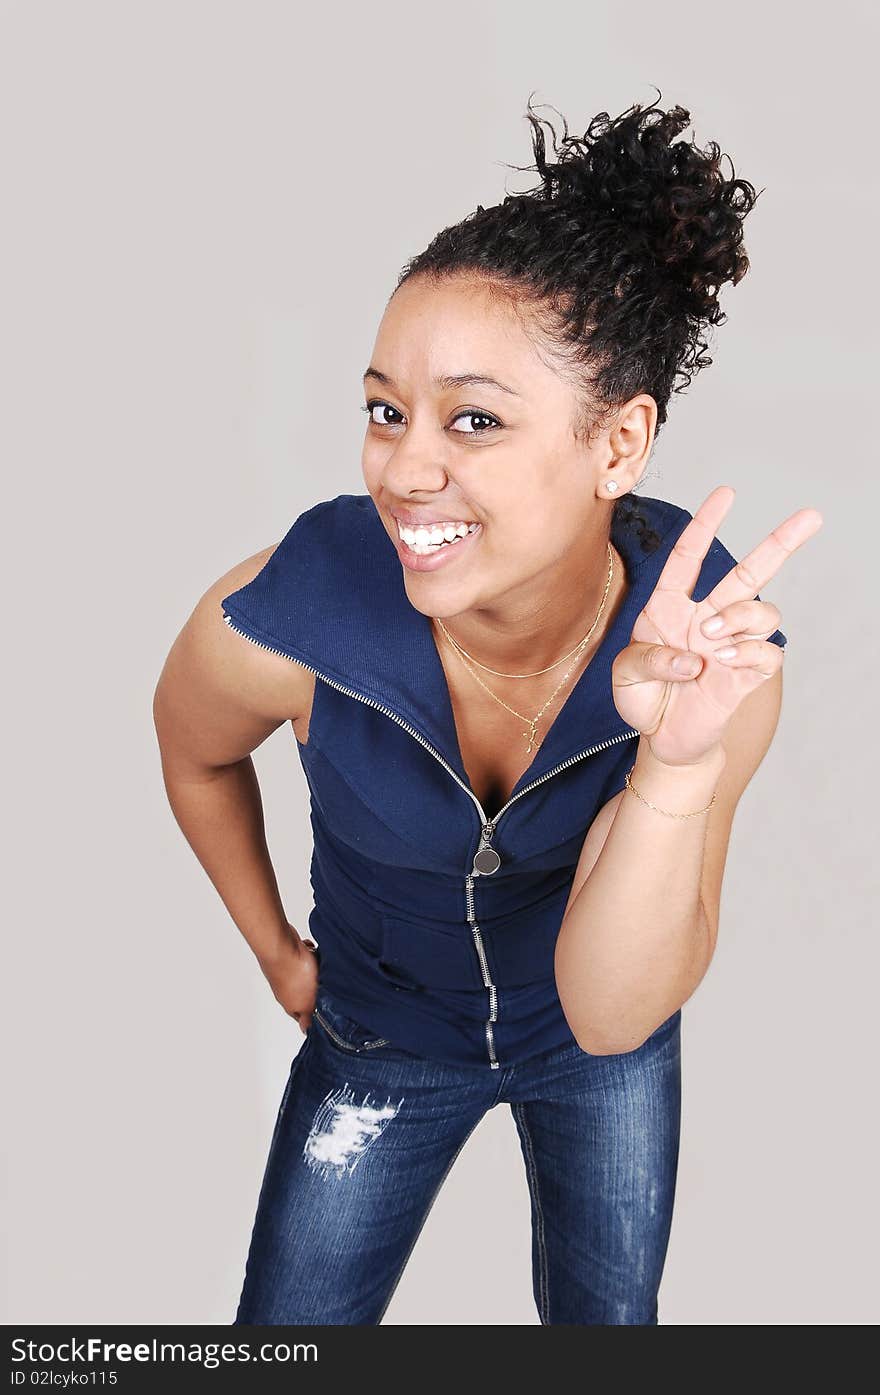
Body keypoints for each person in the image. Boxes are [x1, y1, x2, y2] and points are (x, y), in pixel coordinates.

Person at [152, 92, 821, 1325]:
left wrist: (671, 769)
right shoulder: (288, 618)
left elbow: (611, 1010)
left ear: (618, 445)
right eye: (383, 410)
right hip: (378, 1035)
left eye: (474, 420)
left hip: (595, 1062)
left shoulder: (709, 657)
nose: (406, 468)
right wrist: (275, 955)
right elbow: (194, 756)